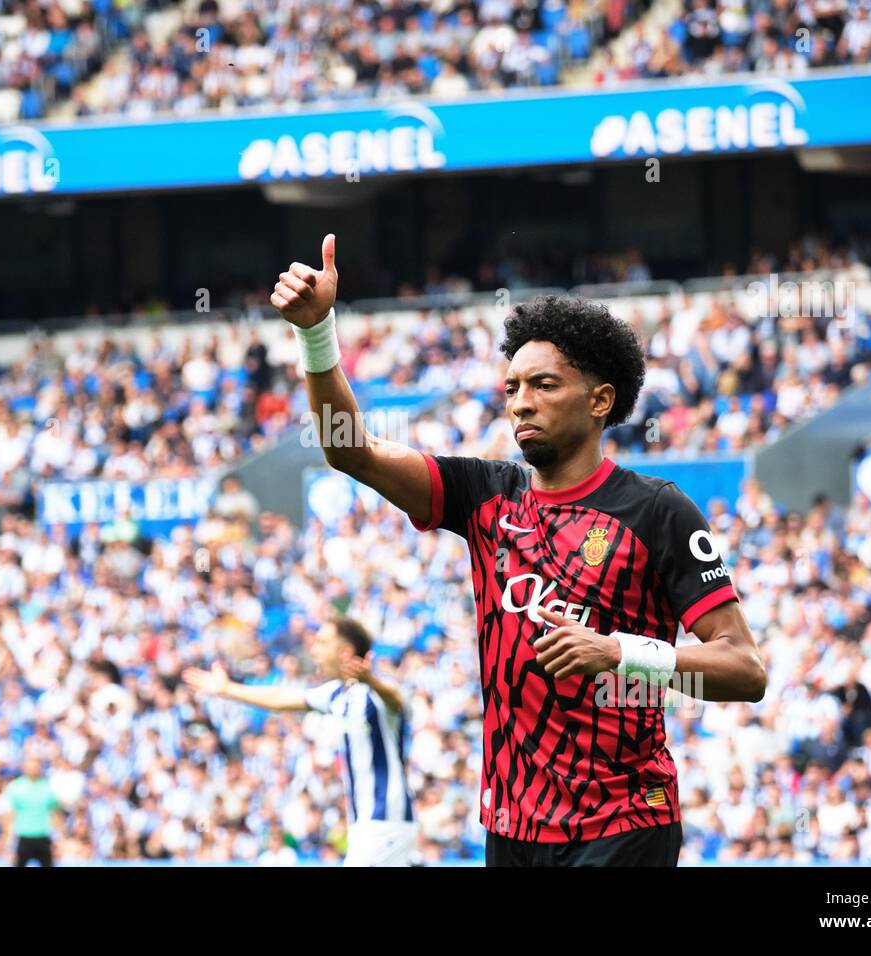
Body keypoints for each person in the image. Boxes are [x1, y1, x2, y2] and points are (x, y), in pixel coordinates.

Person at [270, 236, 767, 867]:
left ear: (601, 400)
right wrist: (317, 335)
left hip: (625, 819)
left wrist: (620, 653)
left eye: (543, 384)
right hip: (512, 826)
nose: (521, 402)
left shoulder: (657, 511)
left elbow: (746, 670)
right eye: (511, 388)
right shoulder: (483, 495)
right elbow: (350, 451)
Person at [183, 616, 418, 866]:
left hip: (384, 822)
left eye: (322, 642)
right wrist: (227, 689)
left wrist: (370, 680)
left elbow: (396, 700)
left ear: (345, 651)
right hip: (368, 825)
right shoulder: (336, 694)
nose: (314, 649)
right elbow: (281, 699)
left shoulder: (376, 693)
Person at [3, 755, 62, 867]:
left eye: (36, 767)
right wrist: (9, 843)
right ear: (24, 768)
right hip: (23, 836)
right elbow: (10, 816)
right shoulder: (15, 787)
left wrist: (59, 839)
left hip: (43, 835)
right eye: (30, 767)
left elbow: (55, 814)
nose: (33, 769)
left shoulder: (47, 787)